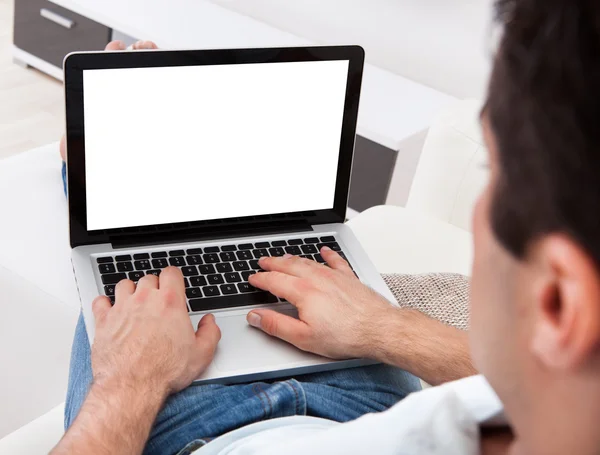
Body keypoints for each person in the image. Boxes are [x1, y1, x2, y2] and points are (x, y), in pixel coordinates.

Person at [52, 0, 600, 452]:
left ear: (559, 301)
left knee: (120, 241)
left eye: (493, 174)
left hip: (189, 424)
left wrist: (131, 380)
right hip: (366, 391)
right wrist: (386, 330)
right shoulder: (556, 407)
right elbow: (538, 383)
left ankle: (99, 151)